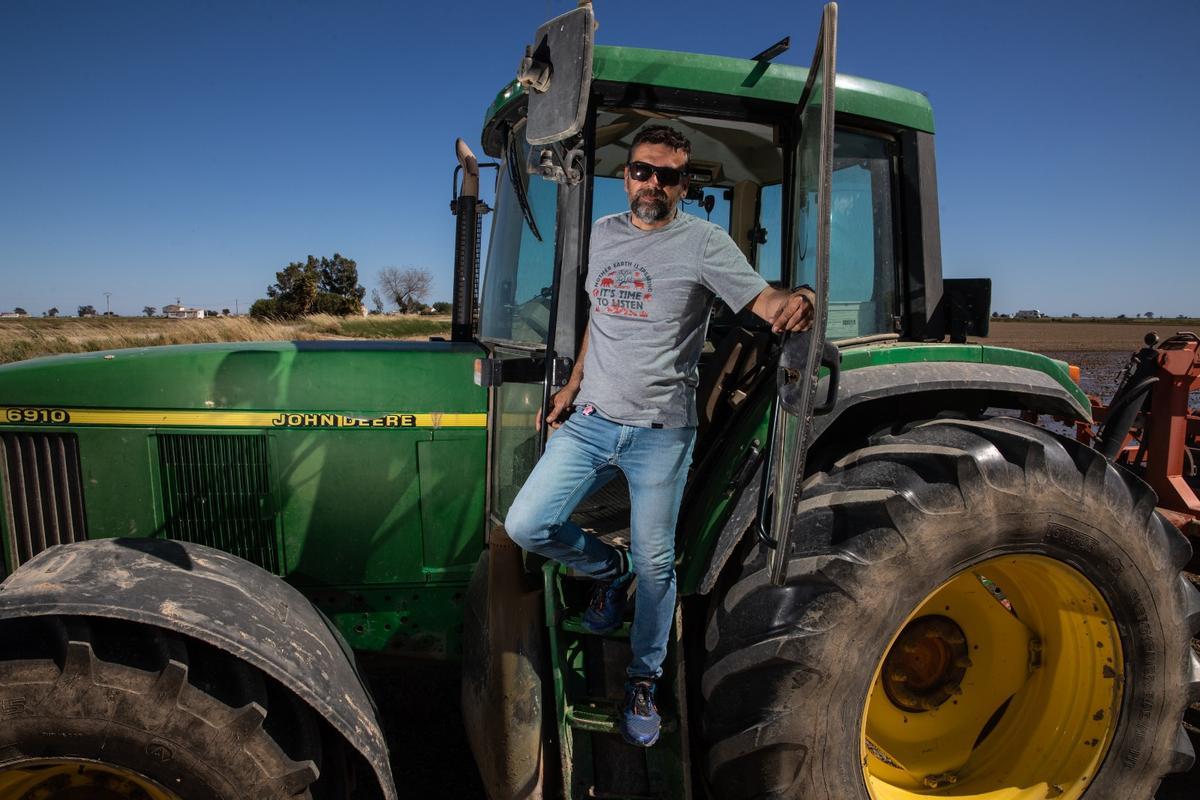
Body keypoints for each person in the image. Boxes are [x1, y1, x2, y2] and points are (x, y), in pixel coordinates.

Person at [504, 125, 814, 747]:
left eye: (668, 176)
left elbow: (761, 299)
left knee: (657, 563)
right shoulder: (603, 234)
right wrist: (569, 387)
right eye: (644, 171)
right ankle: (605, 567)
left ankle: (644, 678)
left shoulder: (703, 242)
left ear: (683, 184)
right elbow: (602, 314)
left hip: (659, 433)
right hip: (590, 421)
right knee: (526, 526)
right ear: (627, 175)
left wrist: (797, 297)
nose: (653, 184)